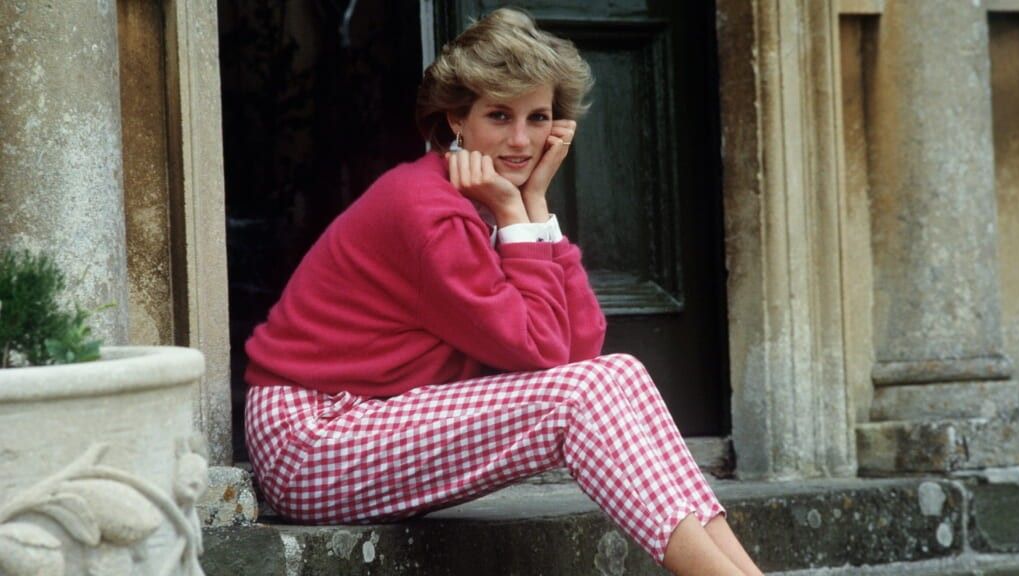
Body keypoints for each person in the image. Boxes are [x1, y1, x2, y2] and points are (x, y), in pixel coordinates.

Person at [243, 7, 763, 576]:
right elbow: (540, 354)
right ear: (456, 121)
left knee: (622, 373)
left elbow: (580, 350)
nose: (521, 140)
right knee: (582, 395)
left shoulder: (483, 197)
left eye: (537, 117)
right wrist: (517, 210)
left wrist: (534, 206)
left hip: (371, 417)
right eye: (499, 115)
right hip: (311, 441)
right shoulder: (428, 212)